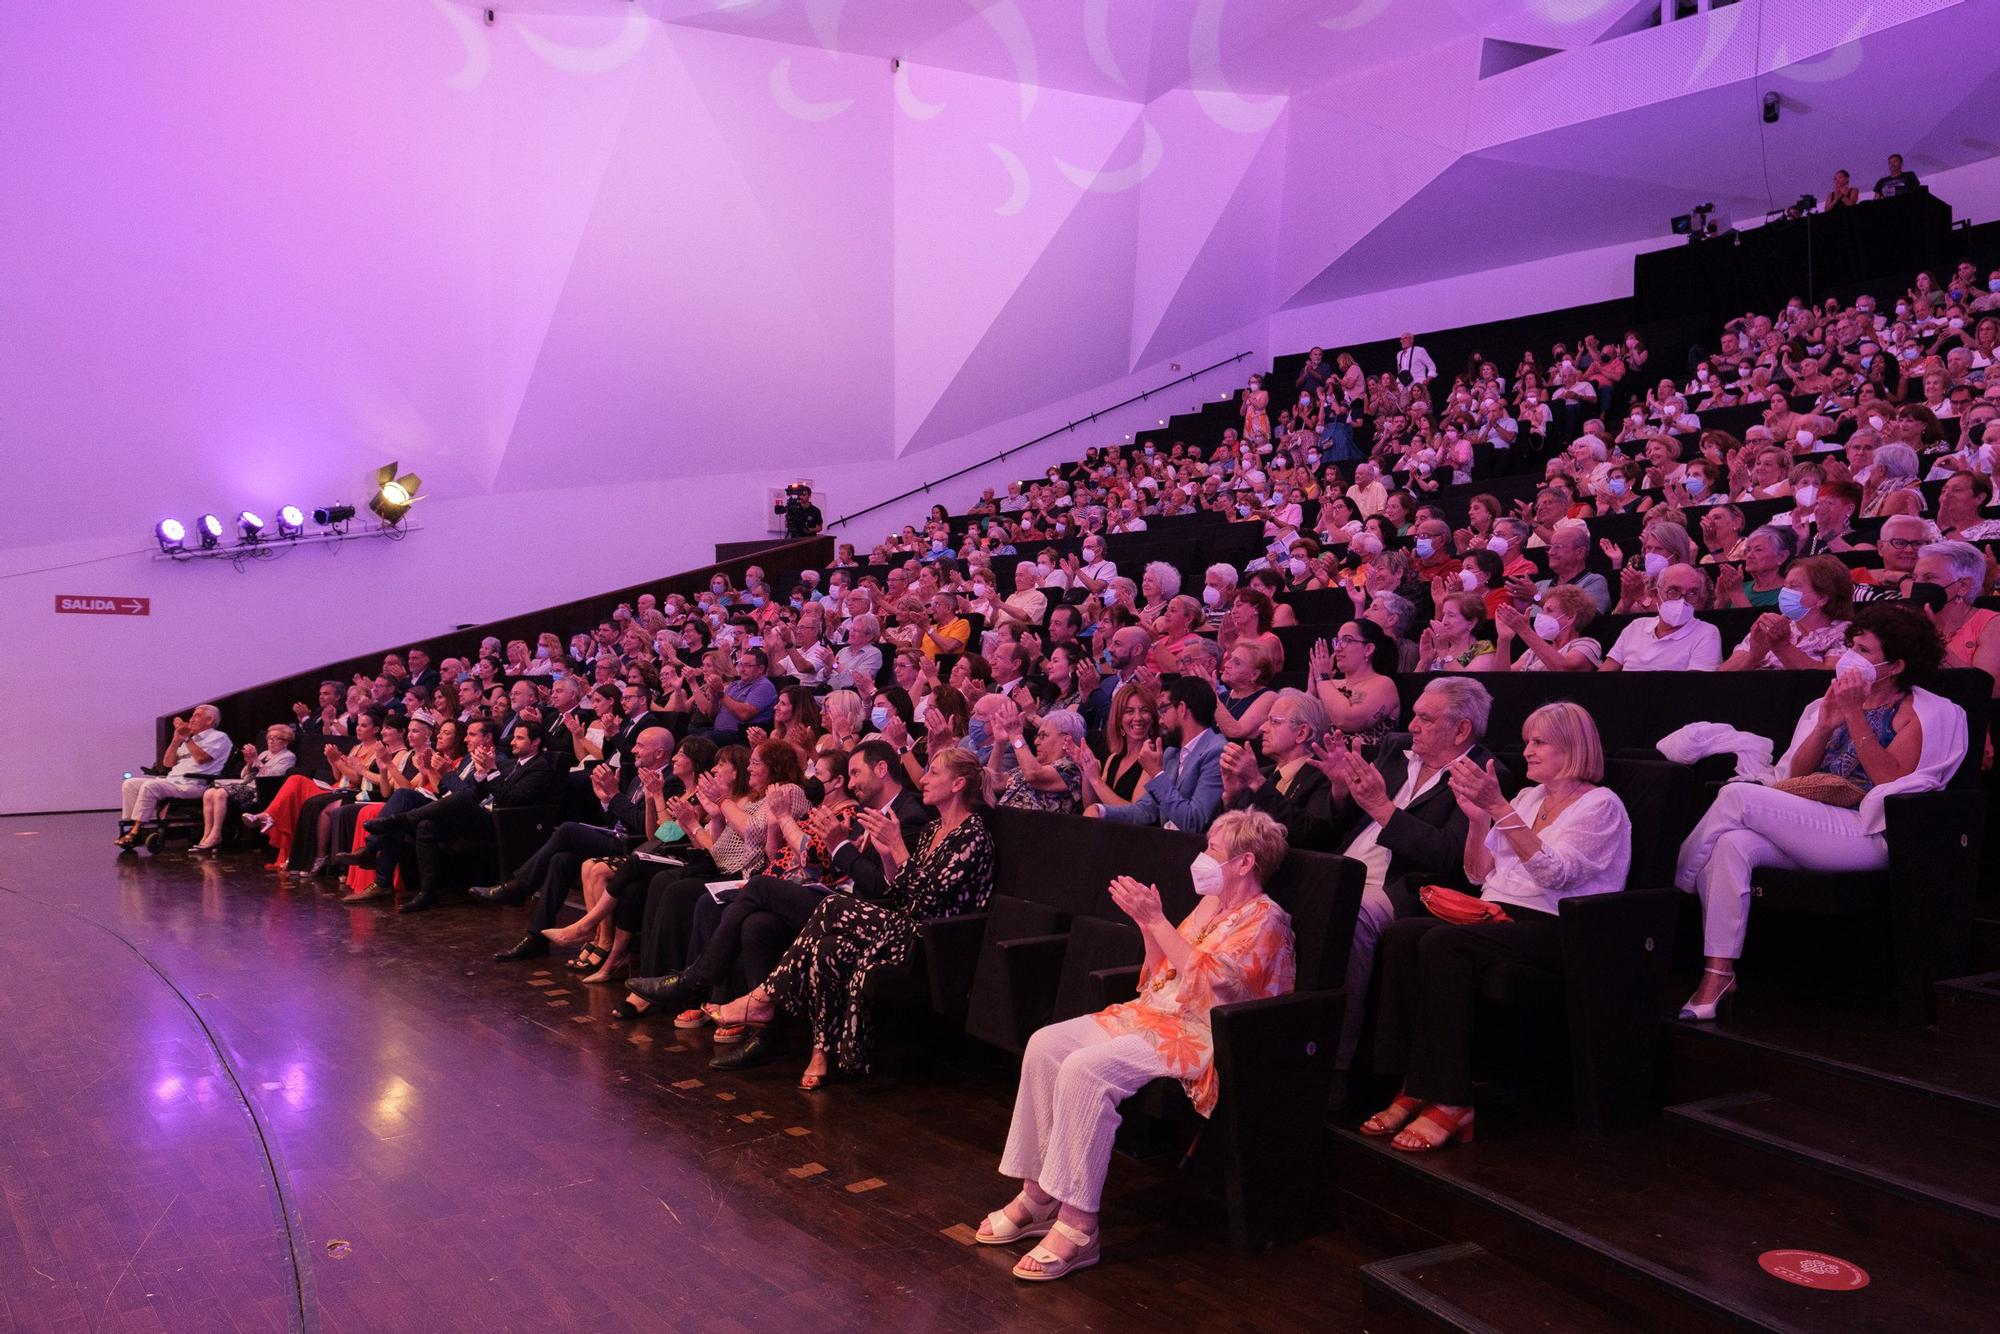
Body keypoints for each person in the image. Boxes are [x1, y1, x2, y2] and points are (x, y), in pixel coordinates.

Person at [978, 810, 1295, 1281]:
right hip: (1155, 1013)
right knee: (1046, 1044)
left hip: (1202, 1032)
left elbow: (1215, 985)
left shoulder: (1267, 919)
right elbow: (1159, 975)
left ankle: (1080, 1225)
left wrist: (1158, 920)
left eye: (1213, 849)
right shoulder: (1210, 906)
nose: (1202, 857)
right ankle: (1038, 1195)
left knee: (1085, 1070)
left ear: (1245, 863)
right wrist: (1149, 929)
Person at [1365, 703, 1631, 1151]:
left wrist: (1498, 808)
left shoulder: (1601, 805)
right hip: (1497, 914)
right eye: (1527, 740)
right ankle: (1414, 1078)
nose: (1526, 750)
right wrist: (1477, 820)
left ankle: (1451, 1100)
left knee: (1444, 944)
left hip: (1560, 926)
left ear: (1574, 746)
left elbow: (1555, 875)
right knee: (1402, 933)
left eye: (1539, 741)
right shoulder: (1529, 798)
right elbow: (1477, 873)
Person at [1674, 605, 1958, 1019]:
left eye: (1863, 649)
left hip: (1870, 832)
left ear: (1895, 665)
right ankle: (1718, 974)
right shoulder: (1828, 699)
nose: (1850, 656)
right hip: (1815, 819)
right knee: (1731, 846)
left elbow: (1889, 781)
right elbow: (1797, 775)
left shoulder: (1918, 711)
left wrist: (1855, 715)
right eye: (1850, 644)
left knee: (1736, 797)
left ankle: (1669, 887)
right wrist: (1826, 724)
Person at [697, 748, 995, 1088]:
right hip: (902, 925)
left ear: (957, 784)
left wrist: (896, 846)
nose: (922, 779)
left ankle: (764, 996)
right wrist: (887, 857)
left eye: (933, 774)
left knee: (831, 906)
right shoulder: (931, 830)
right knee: (829, 947)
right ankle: (822, 1052)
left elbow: (927, 900)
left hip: (934, 939)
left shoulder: (972, 835)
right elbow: (899, 893)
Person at [1087, 678, 1226, 834]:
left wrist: (1157, 774)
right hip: (1163, 844)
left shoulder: (1216, 752)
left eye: (1164, 709)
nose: (1160, 720)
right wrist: (1101, 811)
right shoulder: (1172, 752)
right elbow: (1146, 811)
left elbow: (1194, 822)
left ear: (1181, 709)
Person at [1219, 689, 1336, 849]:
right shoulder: (1265, 774)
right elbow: (1229, 836)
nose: (1262, 728)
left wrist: (1256, 781)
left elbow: (1309, 833)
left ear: (1301, 733)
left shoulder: (1324, 777)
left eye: (1274, 721)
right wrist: (1231, 797)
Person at [117, 705, 231, 850]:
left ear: (209, 720)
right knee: (130, 784)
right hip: (173, 781)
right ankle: (131, 823)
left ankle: (136, 830)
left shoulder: (219, 737)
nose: (191, 719)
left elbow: (202, 758)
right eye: (192, 716)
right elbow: (167, 763)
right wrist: (177, 739)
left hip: (194, 784)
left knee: (150, 786)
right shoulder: (190, 739)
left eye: (197, 715)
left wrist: (188, 738)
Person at [1719, 556, 1852, 670]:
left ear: (1822, 598)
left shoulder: (1845, 632)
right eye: (1785, 586)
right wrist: (1754, 656)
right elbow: (1721, 674)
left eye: (1793, 586)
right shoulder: (1772, 627)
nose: (1784, 592)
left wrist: (1783, 647)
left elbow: (1828, 679)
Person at [188, 723, 295, 855]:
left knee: (221, 793)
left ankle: (216, 836)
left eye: (276, 738)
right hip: (246, 785)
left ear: (286, 742)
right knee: (209, 793)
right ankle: (206, 836)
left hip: (260, 791)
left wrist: (256, 760)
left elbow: (271, 777)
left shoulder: (288, 757)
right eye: (269, 738)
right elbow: (244, 776)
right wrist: (249, 762)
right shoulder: (265, 754)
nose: (271, 741)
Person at [1078, 681, 1158, 809]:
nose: (1138, 718)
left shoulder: (1153, 761)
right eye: (1129, 711)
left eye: (1144, 710)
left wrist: (1096, 781)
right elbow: (1092, 807)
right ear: (1118, 719)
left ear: (1153, 718)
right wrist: (1087, 772)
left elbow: (1136, 813)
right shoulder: (1113, 758)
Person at [991, 709, 1086, 814]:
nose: (1036, 742)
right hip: (1001, 821)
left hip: (1029, 827)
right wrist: (999, 744)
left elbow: (1034, 775)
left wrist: (1016, 736)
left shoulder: (1073, 768)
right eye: (1037, 736)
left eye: (1043, 736)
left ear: (1066, 740)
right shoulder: (1033, 764)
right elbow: (995, 783)